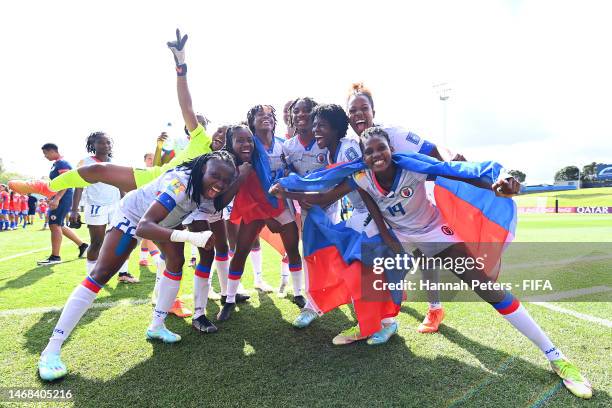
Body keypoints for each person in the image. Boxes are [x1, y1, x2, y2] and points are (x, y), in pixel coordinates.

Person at [275, 126, 592, 399]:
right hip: (397, 240)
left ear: (390, 149)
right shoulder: (360, 177)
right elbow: (321, 195)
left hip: (432, 233)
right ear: (363, 157)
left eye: (381, 149)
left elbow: (461, 172)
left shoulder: (412, 166)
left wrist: (498, 183)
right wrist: (286, 190)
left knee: (486, 288)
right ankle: (377, 325)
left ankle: (555, 356)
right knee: (360, 270)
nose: (376, 156)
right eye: (369, 152)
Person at [37, 151, 236, 382]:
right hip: (134, 217)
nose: (220, 184)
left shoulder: (211, 191)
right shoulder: (180, 183)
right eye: (215, 176)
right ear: (203, 170)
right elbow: (144, 227)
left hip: (162, 222)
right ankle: (51, 350)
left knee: (176, 262)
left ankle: (157, 326)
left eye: (226, 180)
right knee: (101, 274)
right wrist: (191, 238)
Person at [69, 132, 139, 283]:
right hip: (96, 206)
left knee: (123, 240)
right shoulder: (85, 162)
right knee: (97, 243)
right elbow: (79, 187)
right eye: (101, 143)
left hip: (116, 206)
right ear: (92, 145)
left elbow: (121, 185)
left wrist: (127, 203)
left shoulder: (114, 162)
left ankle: (123, 273)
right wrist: (74, 210)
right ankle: (90, 277)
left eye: (108, 142)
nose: (105, 145)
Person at [37, 143, 88, 265]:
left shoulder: (63, 163)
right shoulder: (56, 164)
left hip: (64, 197)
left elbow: (66, 183)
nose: (45, 156)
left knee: (54, 224)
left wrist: (57, 198)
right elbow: (56, 184)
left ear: (52, 151)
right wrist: (52, 197)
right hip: (60, 197)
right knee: (59, 224)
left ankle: (55, 257)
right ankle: (83, 245)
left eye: (46, 153)